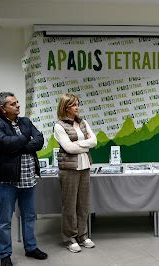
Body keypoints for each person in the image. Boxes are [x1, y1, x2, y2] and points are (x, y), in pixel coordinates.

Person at [0, 92, 48, 266]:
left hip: (28, 178)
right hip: (6, 181)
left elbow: (39, 141)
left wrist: (19, 143)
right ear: (3, 109)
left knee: (29, 216)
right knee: (4, 220)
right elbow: (6, 144)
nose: (18, 105)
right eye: (13, 104)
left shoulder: (25, 122)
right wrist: (24, 139)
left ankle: (31, 247)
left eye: (17, 102)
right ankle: (4, 255)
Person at [54, 93, 97, 253]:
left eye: (78, 104)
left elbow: (94, 141)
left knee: (83, 204)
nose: (77, 107)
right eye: (73, 105)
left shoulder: (83, 122)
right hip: (69, 170)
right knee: (69, 205)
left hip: (85, 167)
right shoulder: (59, 126)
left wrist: (80, 144)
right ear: (65, 107)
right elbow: (69, 148)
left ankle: (82, 235)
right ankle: (69, 238)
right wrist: (85, 146)